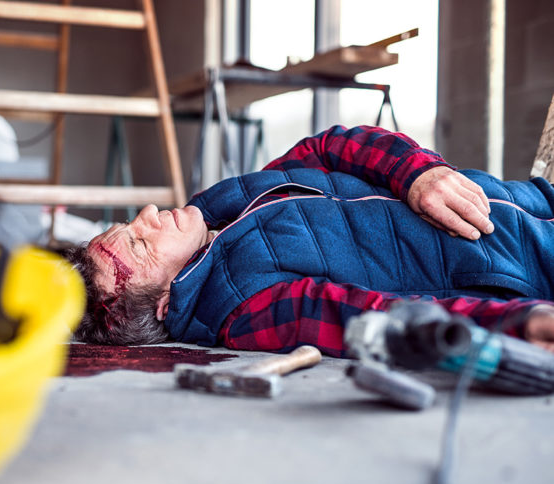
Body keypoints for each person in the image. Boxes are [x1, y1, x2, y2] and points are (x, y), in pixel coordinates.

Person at [64, 125, 554, 356]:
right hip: (537, 268)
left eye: (131, 223)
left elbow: (325, 147)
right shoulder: (238, 308)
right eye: (142, 244)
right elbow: (367, 322)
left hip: (535, 201)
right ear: (166, 302)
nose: (149, 214)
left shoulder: (218, 206)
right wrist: (515, 325)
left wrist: (418, 174)